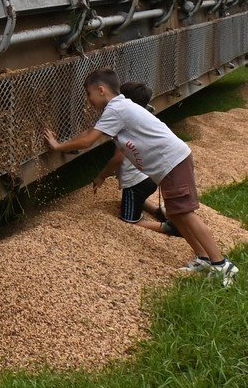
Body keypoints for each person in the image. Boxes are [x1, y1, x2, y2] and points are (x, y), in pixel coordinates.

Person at [43, 68, 238, 285]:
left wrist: (58, 146)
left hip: (172, 162)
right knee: (177, 215)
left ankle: (222, 265)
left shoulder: (117, 109)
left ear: (101, 90)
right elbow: (90, 133)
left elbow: (88, 140)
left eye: (89, 93)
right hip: (167, 166)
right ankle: (204, 259)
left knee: (185, 214)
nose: (88, 99)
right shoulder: (118, 108)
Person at [94, 82, 183, 237]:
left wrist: (101, 176)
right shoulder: (143, 122)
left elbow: (118, 159)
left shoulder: (126, 128)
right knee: (135, 198)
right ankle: (157, 211)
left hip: (137, 184)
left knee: (128, 220)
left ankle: (168, 227)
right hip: (149, 177)